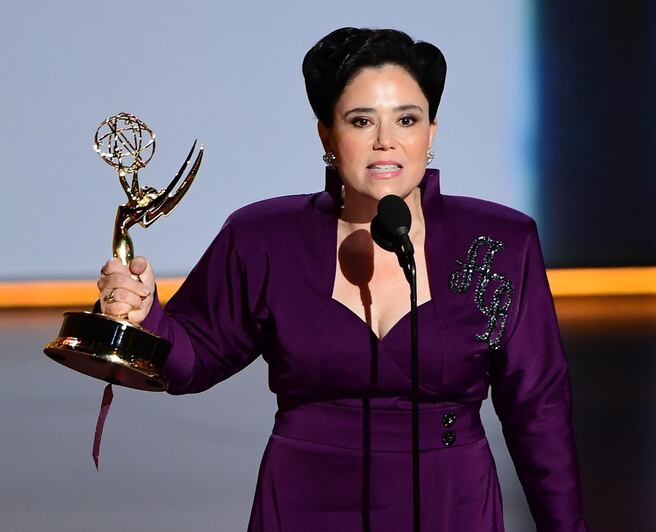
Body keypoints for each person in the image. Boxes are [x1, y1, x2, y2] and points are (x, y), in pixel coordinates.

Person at [97, 27, 588, 532]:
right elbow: (192, 359)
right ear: (327, 135)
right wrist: (144, 316)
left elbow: (539, 411)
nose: (385, 141)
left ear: (431, 133)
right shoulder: (264, 237)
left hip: (450, 504)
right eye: (360, 121)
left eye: (407, 119)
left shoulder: (501, 241)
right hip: (304, 501)